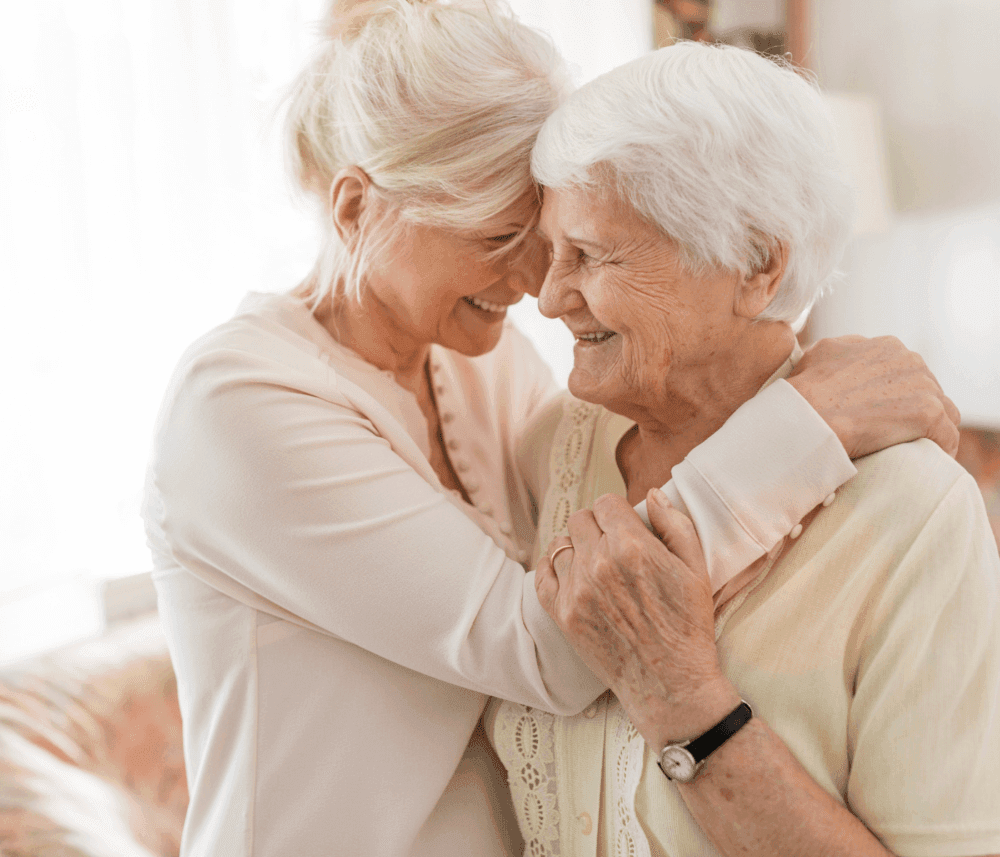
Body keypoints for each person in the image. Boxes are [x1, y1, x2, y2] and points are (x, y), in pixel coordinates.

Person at [143, 3, 962, 856]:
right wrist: (809, 422)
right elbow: (556, 646)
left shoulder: (474, 362)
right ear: (356, 209)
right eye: (500, 237)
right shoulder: (239, 405)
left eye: (546, 235)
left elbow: (615, 489)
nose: (537, 284)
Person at [490, 40, 1000, 857]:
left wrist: (684, 697)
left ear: (756, 264)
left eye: (589, 254)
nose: (549, 298)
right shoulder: (547, 449)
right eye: (551, 252)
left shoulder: (915, 512)